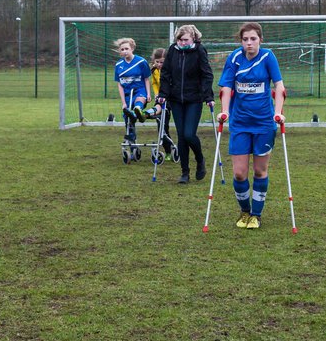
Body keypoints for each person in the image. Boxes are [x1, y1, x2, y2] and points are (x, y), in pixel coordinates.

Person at [217, 22, 284, 229]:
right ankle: (244, 211)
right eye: (245, 39)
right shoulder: (234, 58)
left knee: (259, 171)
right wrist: (225, 110)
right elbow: (226, 87)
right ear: (241, 41)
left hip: (264, 123)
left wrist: (278, 113)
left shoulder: (268, 57)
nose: (249, 43)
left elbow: (279, 86)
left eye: (253, 39)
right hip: (240, 123)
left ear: (260, 40)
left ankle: (256, 214)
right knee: (239, 172)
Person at [157, 26, 215, 184]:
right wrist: (163, 93)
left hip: (194, 99)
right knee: (181, 136)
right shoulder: (173, 50)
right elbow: (166, 73)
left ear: (193, 38)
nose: (182, 43)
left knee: (189, 134)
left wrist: (208, 96)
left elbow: (206, 74)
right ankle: (185, 172)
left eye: (185, 40)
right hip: (176, 99)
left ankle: (200, 159)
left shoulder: (199, 50)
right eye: (180, 40)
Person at [113, 37, 151, 144]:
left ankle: (138, 110)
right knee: (127, 116)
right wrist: (123, 103)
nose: (125, 51)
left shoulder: (141, 62)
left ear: (132, 48)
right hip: (127, 94)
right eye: (122, 49)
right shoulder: (118, 65)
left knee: (138, 103)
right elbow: (120, 85)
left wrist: (148, 94)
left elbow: (146, 79)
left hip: (140, 90)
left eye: (127, 49)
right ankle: (131, 137)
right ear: (120, 51)